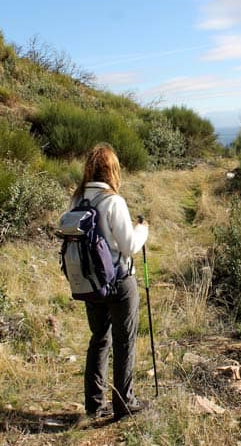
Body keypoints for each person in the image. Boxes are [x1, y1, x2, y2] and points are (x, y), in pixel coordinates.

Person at [71, 143, 149, 422]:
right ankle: (124, 403)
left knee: (99, 339)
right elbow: (129, 246)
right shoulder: (113, 200)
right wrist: (143, 230)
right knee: (124, 341)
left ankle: (93, 405)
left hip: (90, 282)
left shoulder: (77, 200)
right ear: (113, 170)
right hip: (119, 281)